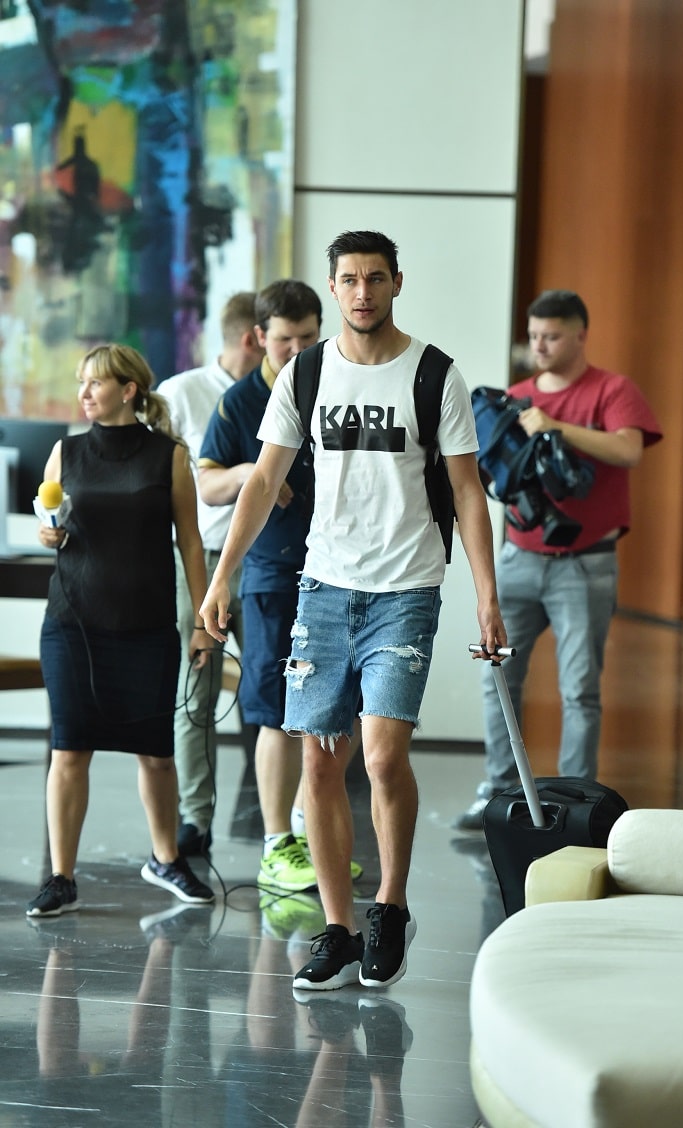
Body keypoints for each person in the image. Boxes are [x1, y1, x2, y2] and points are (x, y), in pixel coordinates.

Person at [199, 230, 506, 992]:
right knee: (318, 759)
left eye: (375, 278)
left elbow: (467, 490)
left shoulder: (434, 374)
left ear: (397, 282)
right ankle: (337, 928)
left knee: (382, 757)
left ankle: (389, 908)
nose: (363, 292)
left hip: (406, 590)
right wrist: (221, 577)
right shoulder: (305, 374)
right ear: (333, 287)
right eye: (350, 279)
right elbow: (262, 481)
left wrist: (487, 595)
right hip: (323, 588)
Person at [453, 289, 663, 830]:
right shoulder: (514, 398)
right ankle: (499, 792)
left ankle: (576, 804)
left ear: (579, 335)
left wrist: (556, 428)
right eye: (534, 336)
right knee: (498, 678)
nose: (539, 346)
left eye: (551, 336)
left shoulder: (611, 389)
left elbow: (629, 449)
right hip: (519, 559)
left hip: (585, 564)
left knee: (579, 690)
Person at [26, 344, 215, 917]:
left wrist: (203, 620)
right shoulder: (65, 452)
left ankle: (166, 859)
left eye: (95, 383)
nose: (84, 393)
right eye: (81, 382)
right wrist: (48, 534)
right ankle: (61, 877)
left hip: (147, 627)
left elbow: (191, 543)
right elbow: (50, 520)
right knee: (69, 750)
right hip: (72, 623)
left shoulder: (169, 456)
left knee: (156, 755)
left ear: (128, 390)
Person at [198, 279, 361, 897]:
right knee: (273, 709)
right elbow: (207, 484)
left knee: (335, 707)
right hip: (270, 574)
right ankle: (274, 845)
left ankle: (304, 831)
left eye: (307, 337)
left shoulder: (340, 383)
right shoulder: (240, 402)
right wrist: (254, 472)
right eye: (285, 339)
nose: (297, 350)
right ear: (258, 337)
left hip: (340, 569)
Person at [159, 291, 264, 857]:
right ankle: (194, 820)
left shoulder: (284, 392)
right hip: (200, 561)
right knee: (196, 690)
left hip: (268, 562)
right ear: (254, 337)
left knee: (270, 691)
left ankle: (278, 822)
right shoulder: (180, 393)